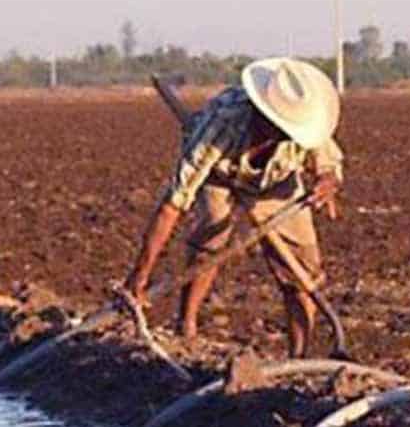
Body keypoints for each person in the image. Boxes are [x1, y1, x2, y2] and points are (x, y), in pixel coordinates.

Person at [124, 58, 343, 357]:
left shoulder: (305, 121)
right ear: (262, 114)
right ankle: (186, 326)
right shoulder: (220, 125)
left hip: (278, 182)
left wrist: (327, 182)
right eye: (278, 128)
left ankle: (299, 357)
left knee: (302, 272)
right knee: (211, 238)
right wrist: (140, 275)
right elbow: (173, 205)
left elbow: (328, 167)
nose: (284, 135)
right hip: (220, 174)